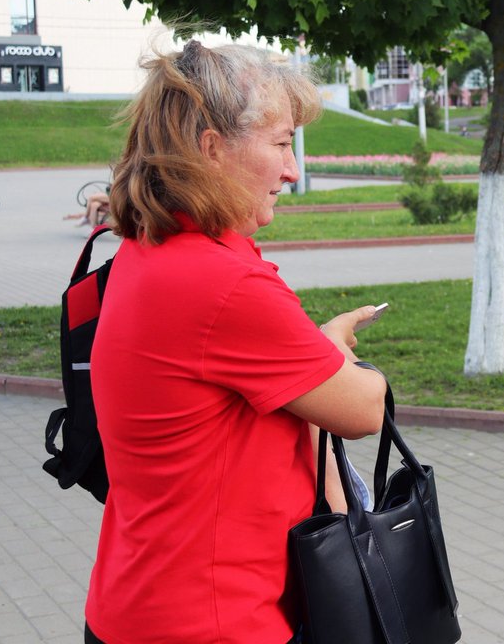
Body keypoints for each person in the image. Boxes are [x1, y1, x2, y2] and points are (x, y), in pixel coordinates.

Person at [83, 41, 388, 644]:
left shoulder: (149, 256)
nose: (292, 170)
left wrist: (311, 356)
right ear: (211, 149)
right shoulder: (223, 283)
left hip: (136, 602)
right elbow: (363, 409)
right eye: (280, 145)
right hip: (217, 621)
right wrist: (336, 356)